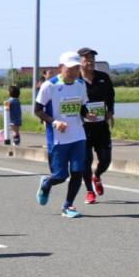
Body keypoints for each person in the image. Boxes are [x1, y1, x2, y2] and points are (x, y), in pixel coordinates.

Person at [34, 51, 98, 218]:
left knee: (78, 171)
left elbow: (82, 106)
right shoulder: (50, 86)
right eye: (70, 68)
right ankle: (47, 182)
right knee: (61, 176)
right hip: (57, 139)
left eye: (77, 68)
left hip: (78, 136)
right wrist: (55, 122)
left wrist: (87, 114)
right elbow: (37, 110)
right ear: (60, 67)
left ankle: (67, 206)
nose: (74, 71)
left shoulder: (80, 84)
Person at [77, 47, 115, 204]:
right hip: (83, 127)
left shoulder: (103, 77)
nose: (90, 61)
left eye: (92, 58)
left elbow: (111, 96)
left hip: (101, 125)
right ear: (80, 61)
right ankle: (89, 191)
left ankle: (97, 175)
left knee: (106, 159)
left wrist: (110, 111)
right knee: (86, 160)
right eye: (86, 59)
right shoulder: (76, 81)